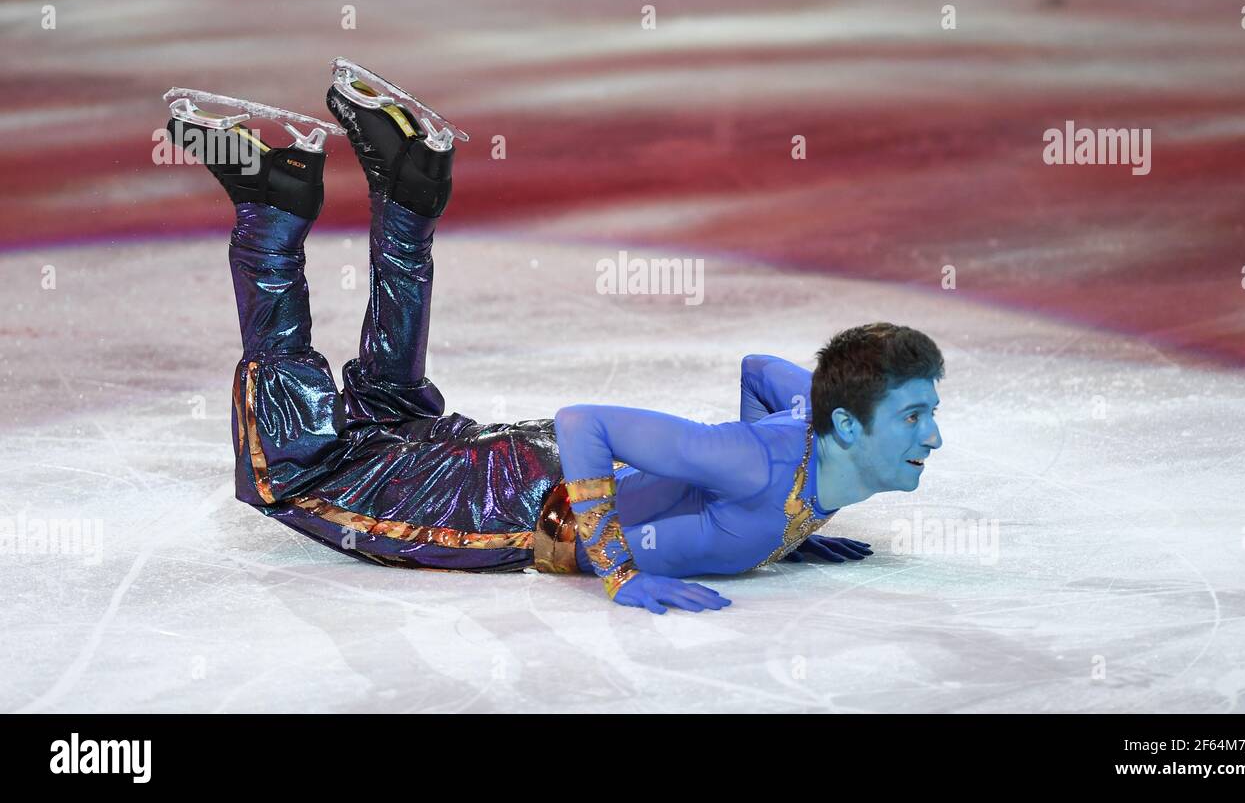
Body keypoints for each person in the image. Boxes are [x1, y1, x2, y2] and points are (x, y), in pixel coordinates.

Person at [168, 74, 943, 614]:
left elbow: (764, 374)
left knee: (388, 417)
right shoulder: (753, 475)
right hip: (512, 500)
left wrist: (786, 527)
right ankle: (275, 213)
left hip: (514, 464)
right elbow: (585, 426)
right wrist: (618, 576)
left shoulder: (796, 434)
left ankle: (404, 192)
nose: (934, 437)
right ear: (847, 424)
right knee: (299, 475)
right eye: (912, 418)